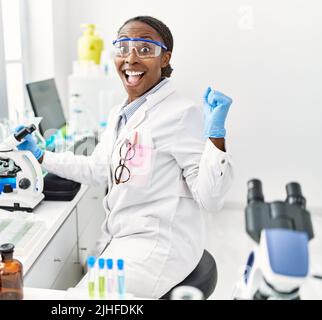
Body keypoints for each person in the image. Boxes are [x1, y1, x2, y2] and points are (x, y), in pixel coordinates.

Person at [18, 16, 234, 299]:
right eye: (123, 48)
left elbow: (210, 198)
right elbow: (97, 169)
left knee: (84, 300)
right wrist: (42, 155)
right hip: (125, 238)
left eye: (145, 49)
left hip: (158, 245)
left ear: (164, 58)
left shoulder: (181, 113)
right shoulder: (121, 112)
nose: (130, 58)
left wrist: (215, 136)